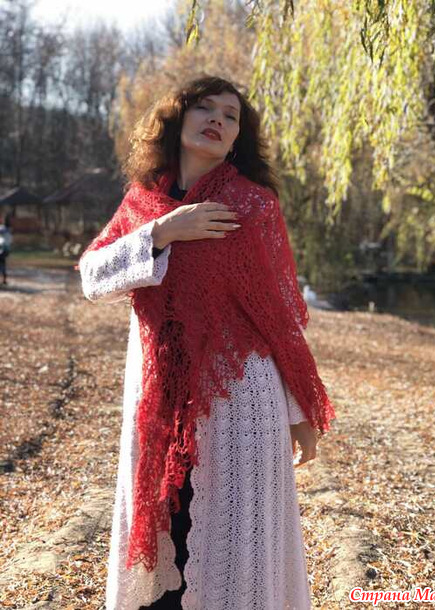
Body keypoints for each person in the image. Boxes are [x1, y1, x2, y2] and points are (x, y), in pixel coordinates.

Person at [78, 75, 336, 610]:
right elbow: (92, 276)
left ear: (238, 137)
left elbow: (278, 318)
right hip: (158, 402)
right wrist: (163, 231)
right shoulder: (143, 203)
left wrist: (299, 411)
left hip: (238, 401)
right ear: (178, 118)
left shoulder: (252, 206)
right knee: (164, 542)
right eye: (205, 107)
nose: (217, 119)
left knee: (233, 546)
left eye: (230, 115)